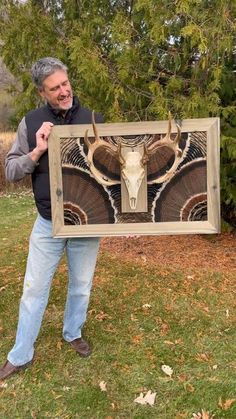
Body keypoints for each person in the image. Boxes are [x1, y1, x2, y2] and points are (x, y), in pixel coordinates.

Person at [0, 57, 104, 380]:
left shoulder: (93, 119)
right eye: (54, 88)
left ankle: (72, 332)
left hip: (86, 222)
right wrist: (36, 151)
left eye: (65, 83)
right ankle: (21, 354)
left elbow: (111, 174)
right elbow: (10, 169)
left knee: (82, 286)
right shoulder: (30, 124)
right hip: (48, 223)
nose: (63, 91)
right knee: (33, 289)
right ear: (42, 92)